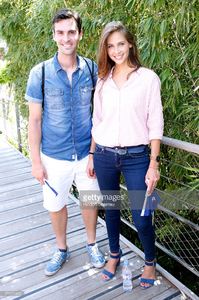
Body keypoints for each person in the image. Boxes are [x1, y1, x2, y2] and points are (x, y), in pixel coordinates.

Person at [25, 8, 105, 276]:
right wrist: (35, 162)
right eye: (60, 32)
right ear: (53, 35)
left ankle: (92, 244)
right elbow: (34, 121)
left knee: (90, 201)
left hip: (86, 154)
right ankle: (61, 248)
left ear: (80, 34)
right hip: (53, 156)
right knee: (55, 205)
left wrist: (93, 153)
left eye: (71, 32)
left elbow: (99, 115)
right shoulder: (40, 73)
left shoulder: (92, 70)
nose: (66, 38)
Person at [89, 21, 164, 288]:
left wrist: (153, 164)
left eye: (121, 43)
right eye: (110, 46)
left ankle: (150, 262)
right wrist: (91, 154)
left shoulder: (148, 78)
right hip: (105, 156)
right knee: (110, 208)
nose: (116, 50)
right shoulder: (103, 80)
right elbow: (97, 121)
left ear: (130, 43)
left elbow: (155, 123)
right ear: (105, 49)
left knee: (142, 215)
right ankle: (114, 255)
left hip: (138, 158)